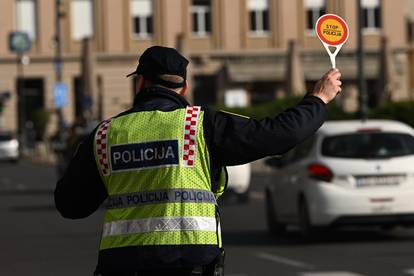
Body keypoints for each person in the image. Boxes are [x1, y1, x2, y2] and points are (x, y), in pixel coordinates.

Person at [54, 46, 342, 276]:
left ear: (140, 82)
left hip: (120, 265)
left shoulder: (104, 135)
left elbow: (70, 205)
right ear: (184, 87)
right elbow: (279, 134)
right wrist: (318, 99)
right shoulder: (200, 124)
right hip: (189, 263)